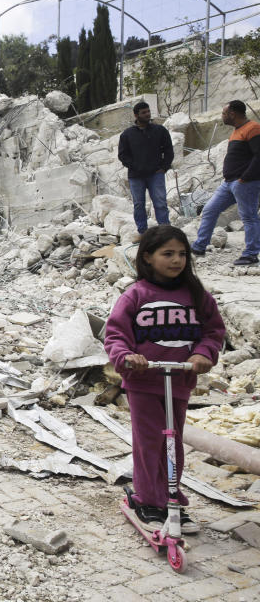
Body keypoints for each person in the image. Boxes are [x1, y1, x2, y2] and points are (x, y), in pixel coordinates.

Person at [104, 225, 225, 534]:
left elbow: (213, 332)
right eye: (167, 254)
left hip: (180, 381)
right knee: (150, 442)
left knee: (173, 443)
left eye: (182, 254)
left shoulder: (196, 295)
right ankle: (147, 498)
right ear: (148, 257)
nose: (176, 260)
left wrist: (203, 355)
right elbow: (115, 336)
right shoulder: (136, 295)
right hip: (144, 382)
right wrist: (128, 357)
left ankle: (171, 498)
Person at [190, 100, 260, 266]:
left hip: (244, 183)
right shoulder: (237, 131)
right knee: (209, 210)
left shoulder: (253, 128)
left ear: (232, 114)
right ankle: (199, 246)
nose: (222, 116)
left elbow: (259, 156)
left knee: (249, 217)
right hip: (229, 183)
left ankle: (251, 254)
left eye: (223, 113)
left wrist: (245, 178)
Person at [117, 101, 174, 237]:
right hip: (136, 177)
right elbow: (122, 155)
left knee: (160, 203)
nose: (147, 114)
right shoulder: (127, 134)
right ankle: (143, 231)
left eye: (148, 111)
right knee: (138, 205)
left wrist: (164, 167)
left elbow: (169, 151)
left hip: (156, 174)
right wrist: (136, 166)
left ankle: (164, 231)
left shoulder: (159, 130)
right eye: (144, 112)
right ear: (136, 115)